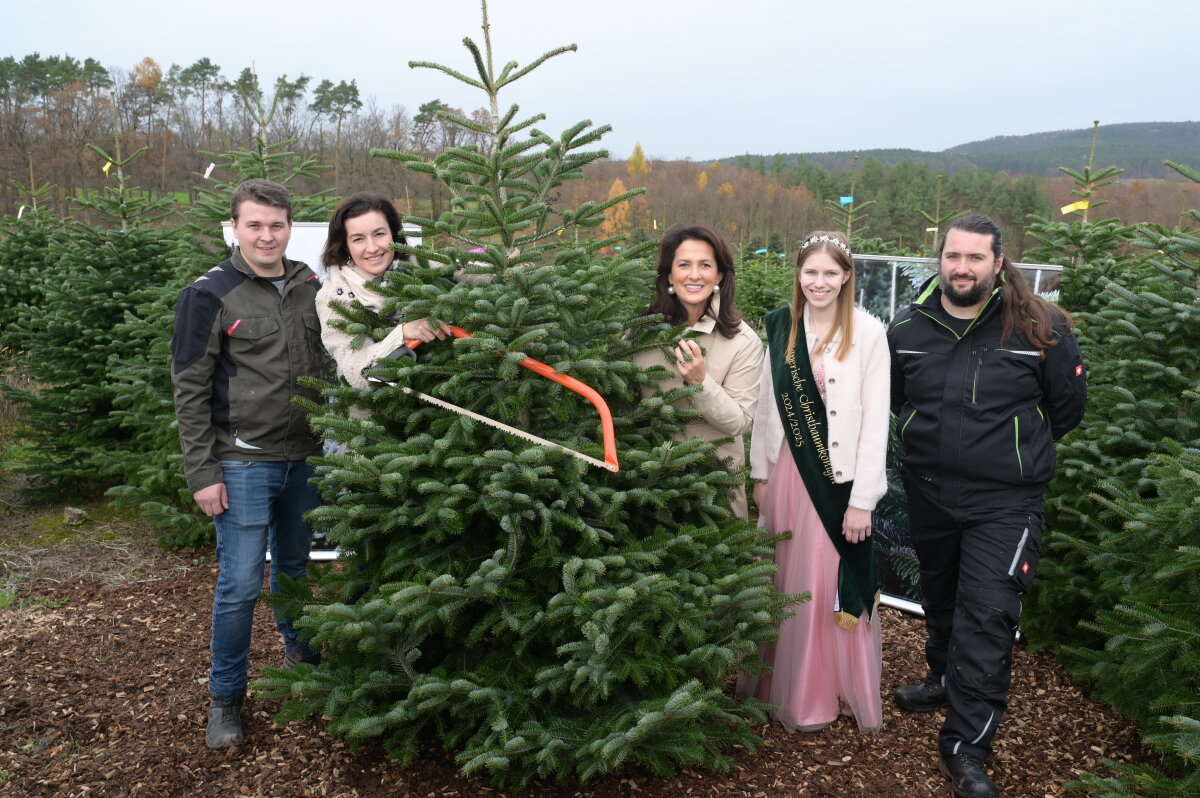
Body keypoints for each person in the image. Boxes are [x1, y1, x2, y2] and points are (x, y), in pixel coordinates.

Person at [888, 215, 1087, 798]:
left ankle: (966, 746)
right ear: (939, 260)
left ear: (999, 264)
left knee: (988, 612)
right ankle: (943, 678)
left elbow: (1067, 410)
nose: (962, 268)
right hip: (927, 492)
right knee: (942, 593)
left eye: (976, 258)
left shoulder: (1039, 327)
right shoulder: (908, 328)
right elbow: (895, 400)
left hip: (1006, 502)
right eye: (953, 256)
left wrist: (1010, 452)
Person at [171, 179, 328, 749]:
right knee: (239, 584)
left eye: (277, 225)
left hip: (305, 458)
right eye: (255, 224)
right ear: (234, 227)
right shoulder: (209, 294)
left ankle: (304, 663)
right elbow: (189, 389)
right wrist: (203, 472)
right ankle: (226, 698)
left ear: (290, 227)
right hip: (242, 462)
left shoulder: (311, 284)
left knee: (294, 568)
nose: (267, 235)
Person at [737, 231, 889, 733]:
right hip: (786, 473)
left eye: (830, 272)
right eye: (810, 272)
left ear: (846, 276)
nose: (819, 282)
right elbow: (764, 409)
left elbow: (874, 423)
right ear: (798, 276)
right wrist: (759, 472)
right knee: (785, 581)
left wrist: (863, 500)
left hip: (835, 483)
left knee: (823, 585)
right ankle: (775, 683)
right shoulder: (783, 327)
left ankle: (817, 693)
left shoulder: (867, 333)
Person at [634, 223, 764, 518]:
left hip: (714, 489)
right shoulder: (640, 331)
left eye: (705, 265)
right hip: (645, 483)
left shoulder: (743, 341)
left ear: (719, 275)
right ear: (669, 274)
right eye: (684, 265)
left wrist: (700, 382)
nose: (694, 275)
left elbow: (740, 422)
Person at [314, 192, 449, 393]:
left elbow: (472, 271)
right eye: (358, 239)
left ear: (393, 234)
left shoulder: (419, 264)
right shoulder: (332, 298)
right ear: (345, 245)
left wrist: (509, 264)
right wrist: (401, 334)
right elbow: (354, 369)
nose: (372, 248)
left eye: (379, 234)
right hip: (375, 418)